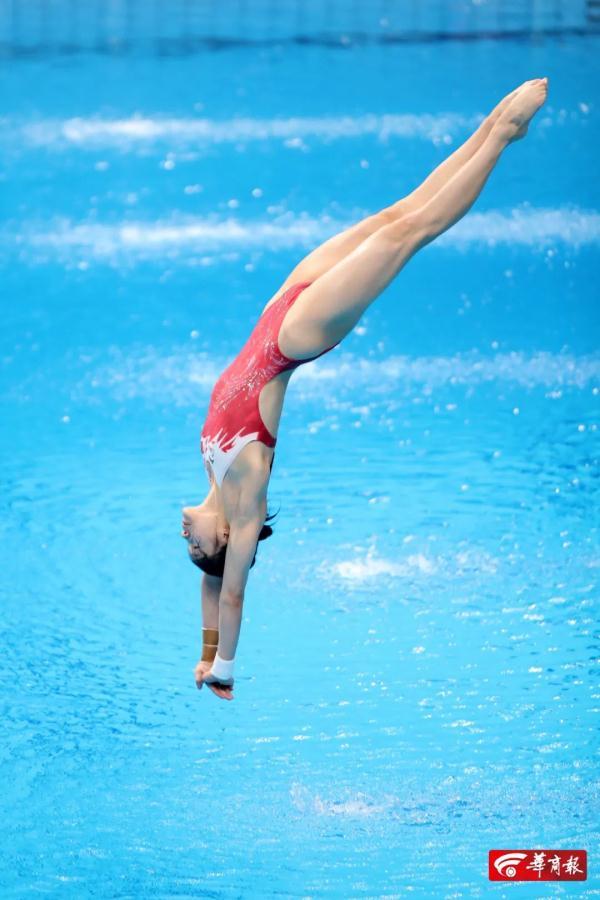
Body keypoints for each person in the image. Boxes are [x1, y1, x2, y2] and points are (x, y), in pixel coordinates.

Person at [183, 78, 548, 701]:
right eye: (195, 547)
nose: (184, 538)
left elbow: (211, 590)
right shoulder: (242, 505)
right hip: (297, 337)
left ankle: (488, 126)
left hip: (279, 308)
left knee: (392, 215)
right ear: (221, 541)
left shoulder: (212, 475)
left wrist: (204, 648)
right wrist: (224, 669)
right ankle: (504, 136)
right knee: (409, 234)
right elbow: (232, 586)